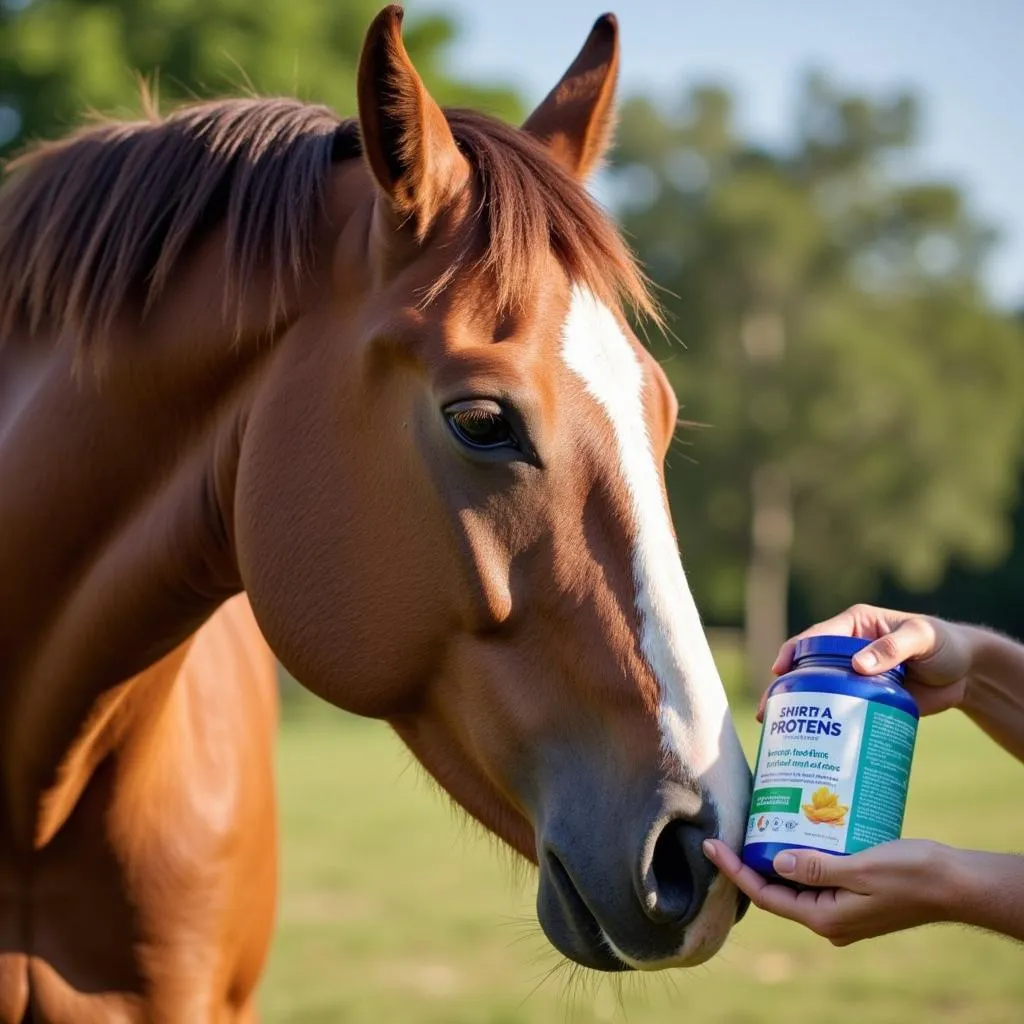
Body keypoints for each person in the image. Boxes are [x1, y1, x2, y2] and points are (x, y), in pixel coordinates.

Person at [703, 604, 1024, 945]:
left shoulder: (875, 698)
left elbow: (949, 885)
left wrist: (950, 886)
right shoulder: (794, 687)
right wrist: (972, 668)